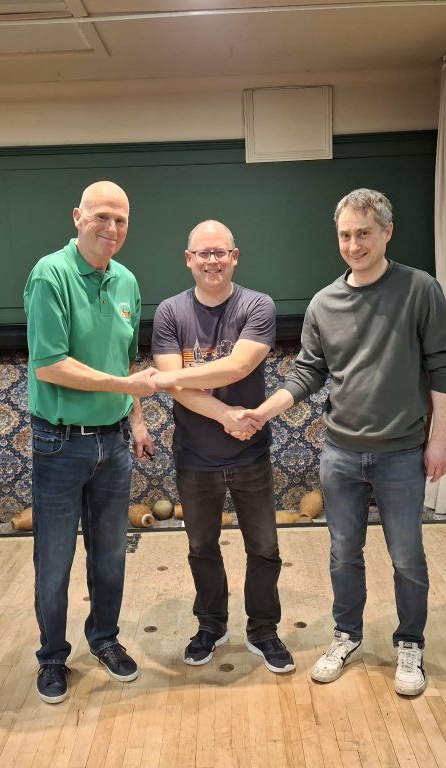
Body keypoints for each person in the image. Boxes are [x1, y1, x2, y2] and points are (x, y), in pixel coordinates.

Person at [239, 189, 446, 696]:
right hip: (340, 454)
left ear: (387, 232)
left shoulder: (420, 290)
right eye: (345, 235)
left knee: (407, 557)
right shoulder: (324, 303)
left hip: (402, 452)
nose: (354, 245)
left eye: (364, 233)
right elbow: (308, 372)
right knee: (343, 554)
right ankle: (346, 635)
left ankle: (410, 643)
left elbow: (443, 366)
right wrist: (262, 412)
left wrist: (440, 439)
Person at [23, 180, 157, 705]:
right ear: (77, 217)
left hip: (114, 443)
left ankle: (104, 639)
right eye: (102, 216)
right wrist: (123, 386)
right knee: (54, 561)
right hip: (59, 443)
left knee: (110, 556)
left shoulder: (127, 280)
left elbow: (128, 360)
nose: (112, 228)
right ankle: (52, 657)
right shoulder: (49, 275)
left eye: (121, 219)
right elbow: (51, 365)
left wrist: (137, 421)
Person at [149, 220, 295, 674]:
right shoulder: (170, 312)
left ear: (234, 257)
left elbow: (237, 367)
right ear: (188, 259)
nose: (211, 261)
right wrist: (226, 415)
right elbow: (179, 389)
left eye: (219, 252)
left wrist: (169, 378)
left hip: (250, 453)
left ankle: (263, 631)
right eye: (203, 253)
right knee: (202, 548)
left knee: (264, 548)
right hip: (195, 458)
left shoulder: (257, 305)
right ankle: (211, 627)